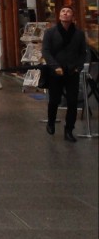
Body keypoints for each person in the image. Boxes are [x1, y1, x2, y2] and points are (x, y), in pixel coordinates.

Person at [41, 7, 89, 142]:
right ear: (59, 15)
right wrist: (55, 66)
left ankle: (69, 129)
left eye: (68, 11)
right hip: (55, 72)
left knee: (72, 101)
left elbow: (82, 53)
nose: (65, 13)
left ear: (72, 16)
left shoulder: (79, 33)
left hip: (72, 71)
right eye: (62, 11)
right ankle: (51, 122)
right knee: (54, 100)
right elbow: (46, 51)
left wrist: (78, 68)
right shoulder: (50, 32)